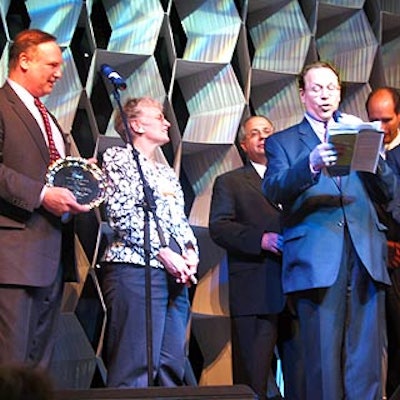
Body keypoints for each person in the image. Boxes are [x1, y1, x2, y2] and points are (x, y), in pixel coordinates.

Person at [262, 61, 397, 400]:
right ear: (303, 94)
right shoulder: (283, 141)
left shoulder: (357, 131)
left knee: (366, 361)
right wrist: (310, 163)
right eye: (317, 88)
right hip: (317, 258)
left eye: (332, 88)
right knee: (321, 360)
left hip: (365, 252)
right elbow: (274, 189)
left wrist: (374, 154)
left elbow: (389, 192)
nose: (325, 95)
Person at [0, 29, 90, 369]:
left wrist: (80, 178)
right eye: (52, 64)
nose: (58, 73)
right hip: (13, 257)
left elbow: (51, 172)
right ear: (23, 60)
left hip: (51, 257)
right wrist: (41, 195)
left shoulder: (49, 118)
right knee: (10, 365)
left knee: (38, 367)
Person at [100, 96, 199, 388]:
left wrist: (190, 251)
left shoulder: (165, 171)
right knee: (135, 366)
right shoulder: (118, 158)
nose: (167, 122)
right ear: (136, 124)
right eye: (159, 116)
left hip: (174, 273)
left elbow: (179, 220)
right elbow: (121, 215)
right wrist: (162, 252)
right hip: (135, 271)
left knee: (170, 364)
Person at [209, 116, 305, 400]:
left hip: (297, 292)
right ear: (243, 145)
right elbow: (219, 227)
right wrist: (260, 239)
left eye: (267, 131)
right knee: (253, 383)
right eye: (254, 133)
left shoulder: (295, 178)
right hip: (256, 292)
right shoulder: (230, 182)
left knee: (301, 380)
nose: (262, 137)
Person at [366, 86, 400, 399]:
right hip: (374, 257)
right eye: (373, 120)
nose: (380, 127)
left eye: (386, 119)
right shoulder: (363, 153)